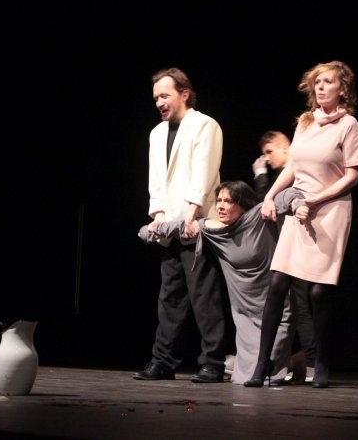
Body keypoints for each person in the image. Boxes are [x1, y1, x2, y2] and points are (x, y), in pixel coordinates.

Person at [245, 60, 358, 389]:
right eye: (317, 82)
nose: (321, 87)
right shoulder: (306, 122)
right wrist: (271, 195)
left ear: (343, 90)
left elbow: (352, 175)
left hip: (330, 211)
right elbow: (294, 165)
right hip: (300, 209)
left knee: (318, 291)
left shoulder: (349, 125)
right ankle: (262, 364)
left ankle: (320, 361)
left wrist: (316, 200)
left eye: (328, 82)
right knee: (277, 283)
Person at [139, 181, 309, 384]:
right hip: (245, 315)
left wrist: (297, 205)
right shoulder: (213, 229)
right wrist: (149, 231)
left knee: (266, 375)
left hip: (277, 312)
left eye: (228, 201)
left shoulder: (258, 216)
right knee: (244, 377)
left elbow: (288, 195)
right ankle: (291, 360)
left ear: (242, 204)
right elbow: (174, 228)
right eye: (218, 200)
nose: (220, 206)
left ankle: (294, 360)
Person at [134, 67, 228, 383]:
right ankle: (163, 361)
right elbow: (156, 180)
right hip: (169, 227)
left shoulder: (205, 125)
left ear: (184, 94)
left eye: (165, 96)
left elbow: (204, 172)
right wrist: (158, 215)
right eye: (156, 98)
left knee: (204, 296)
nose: (159, 103)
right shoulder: (156, 133)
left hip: (195, 223)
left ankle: (212, 362)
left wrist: (192, 214)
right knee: (170, 296)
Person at [252, 131, 317, 383]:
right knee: (289, 306)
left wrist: (260, 176)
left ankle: (312, 364)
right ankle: (292, 361)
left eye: (270, 152)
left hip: (299, 243)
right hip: (287, 244)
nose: (267, 158)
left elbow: (267, 204)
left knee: (301, 306)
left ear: (285, 148)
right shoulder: (283, 174)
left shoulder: (293, 173)